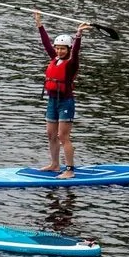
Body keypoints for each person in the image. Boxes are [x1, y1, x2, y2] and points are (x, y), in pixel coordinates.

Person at [37, 12, 90, 177]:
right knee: (51, 134)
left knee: (63, 136)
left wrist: (78, 35)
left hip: (65, 102)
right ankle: (54, 164)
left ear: (68, 49)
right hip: (52, 101)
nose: (59, 51)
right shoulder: (54, 58)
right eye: (57, 48)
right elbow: (46, 44)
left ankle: (70, 170)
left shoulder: (71, 63)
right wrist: (40, 25)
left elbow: (76, 52)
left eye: (62, 49)